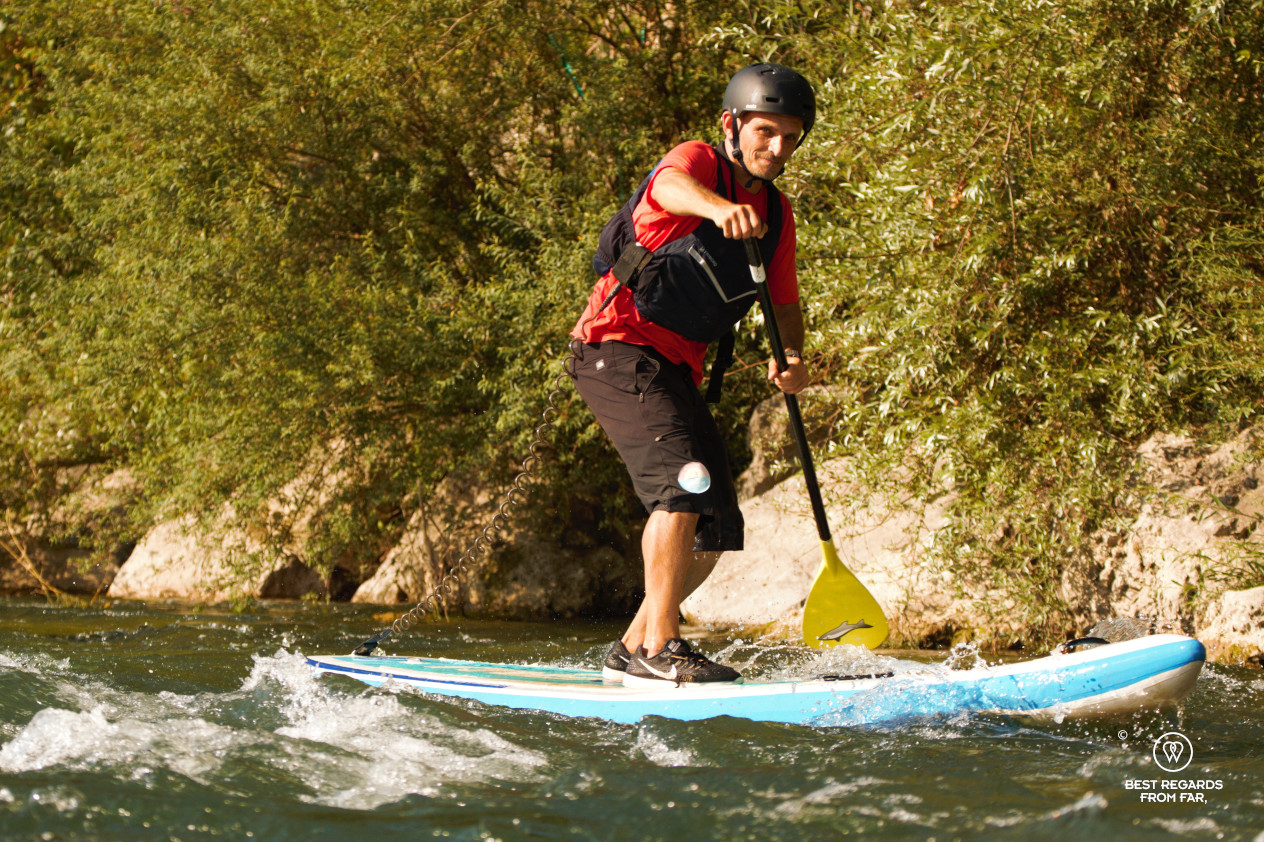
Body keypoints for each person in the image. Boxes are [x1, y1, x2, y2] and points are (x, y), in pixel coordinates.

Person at [569, 63, 815, 686]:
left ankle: (631, 649)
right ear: (732, 125)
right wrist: (719, 208)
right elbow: (669, 185)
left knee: (713, 528)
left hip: (674, 370)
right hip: (614, 347)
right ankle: (663, 649)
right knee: (684, 485)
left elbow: (784, 305)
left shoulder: (777, 216)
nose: (778, 148)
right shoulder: (698, 163)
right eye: (766, 132)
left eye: (791, 136)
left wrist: (791, 357)